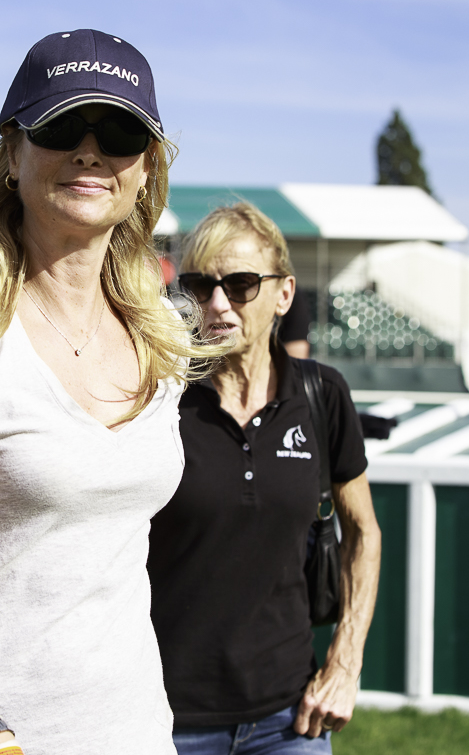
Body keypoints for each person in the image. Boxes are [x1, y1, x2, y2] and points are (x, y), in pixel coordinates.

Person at [0, 29, 216, 755]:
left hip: (131, 735)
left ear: (146, 167)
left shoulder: (160, 335)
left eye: (121, 132)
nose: (91, 151)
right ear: (13, 152)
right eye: (63, 127)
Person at [148, 204, 382, 755]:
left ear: (284, 294)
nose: (218, 303)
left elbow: (364, 532)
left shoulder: (322, 394)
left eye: (241, 284)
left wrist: (344, 664)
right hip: (165, 721)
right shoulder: (160, 398)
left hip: (288, 722)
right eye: (201, 285)